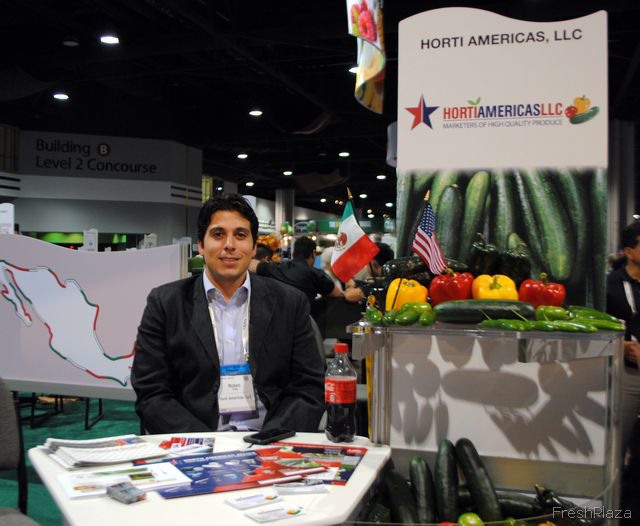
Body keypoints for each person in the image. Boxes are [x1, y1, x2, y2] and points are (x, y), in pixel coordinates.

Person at [131, 194, 325, 434]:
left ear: (254, 247)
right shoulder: (165, 303)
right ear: (201, 245)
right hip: (196, 440)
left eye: (240, 235)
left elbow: (309, 387)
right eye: (218, 234)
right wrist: (204, 443)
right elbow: (151, 391)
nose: (230, 245)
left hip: (271, 439)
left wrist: (272, 440)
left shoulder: (290, 303)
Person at [607, 221, 640, 464]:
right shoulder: (611, 285)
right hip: (628, 374)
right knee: (617, 442)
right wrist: (621, 345)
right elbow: (601, 329)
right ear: (629, 252)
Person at [250, 236, 363, 304]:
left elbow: (251, 264)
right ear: (313, 254)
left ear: (293, 253)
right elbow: (337, 294)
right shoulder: (317, 275)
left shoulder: (275, 268)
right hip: (305, 322)